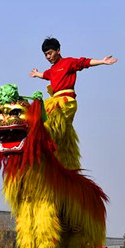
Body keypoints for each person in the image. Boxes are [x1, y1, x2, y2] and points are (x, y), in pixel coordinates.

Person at [29, 37, 117, 169]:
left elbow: (84, 63)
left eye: (50, 53)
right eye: (45, 54)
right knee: (51, 126)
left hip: (66, 101)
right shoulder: (52, 70)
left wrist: (102, 61)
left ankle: (45, 144)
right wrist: (37, 74)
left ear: (58, 51)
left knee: (51, 121)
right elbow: (46, 75)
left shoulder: (68, 62)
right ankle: (60, 158)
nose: (48, 57)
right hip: (55, 100)